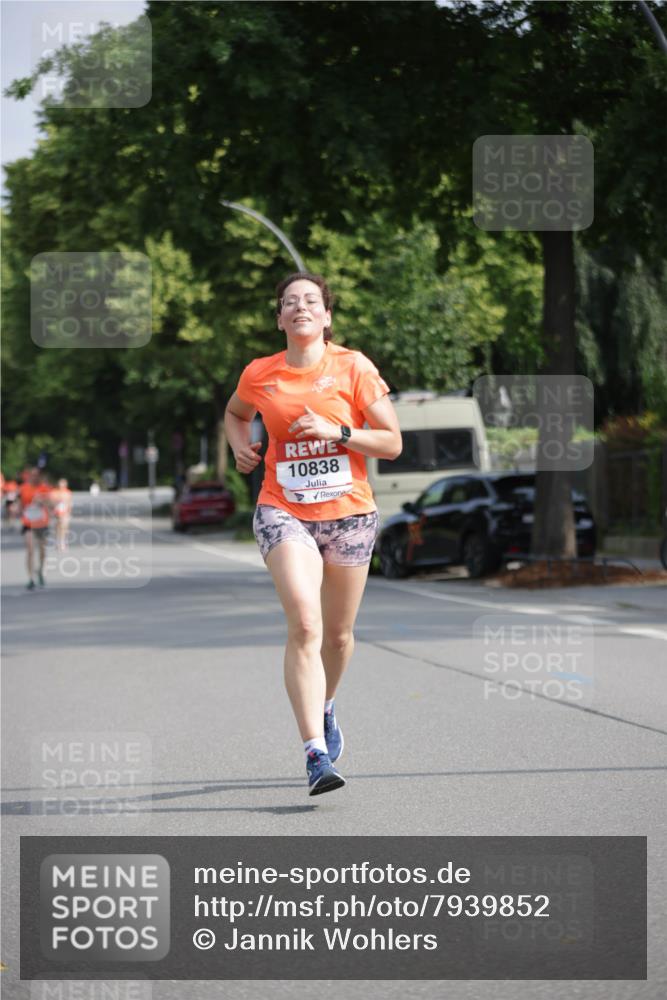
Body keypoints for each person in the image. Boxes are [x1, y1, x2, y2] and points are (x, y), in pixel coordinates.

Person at [224, 272, 402, 796]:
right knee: (306, 624)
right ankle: (315, 755)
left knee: (339, 635)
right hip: (284, 510)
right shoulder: (260, 373)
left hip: (349, 513)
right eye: (289, 303)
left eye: (311, 301)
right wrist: (240, 446)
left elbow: (391, 443)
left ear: (326, 316)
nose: (300, 307)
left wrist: (338, 431)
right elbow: (236, 414)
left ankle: (325, 705)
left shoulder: (353, 366)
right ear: (279, 318)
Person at [18, 467, 52, 590]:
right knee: (30, 549)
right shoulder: (23, 488)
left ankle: (41, 572)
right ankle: (31, 578)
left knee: (42, 551)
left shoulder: (44, 488)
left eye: (36, 475)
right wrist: (18, 511)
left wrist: (42, 501)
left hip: (42, 523)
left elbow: (51, 505)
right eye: (32, 475)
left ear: (40, 476)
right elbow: (20, 505)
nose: (34, 477)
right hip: (28, 523)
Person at [50, 477, 73, 551]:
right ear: (58, 484)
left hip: (65, 512)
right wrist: (57, 501)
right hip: (57, 511)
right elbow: (51, 502)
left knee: (64, 527)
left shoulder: (68, 492)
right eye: (61, 483)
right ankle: (57, 541)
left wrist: (69, 511)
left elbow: (70, 502)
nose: (62, 485)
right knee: (57, 527)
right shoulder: (54, 492)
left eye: (64, 483)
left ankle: (63, 542)